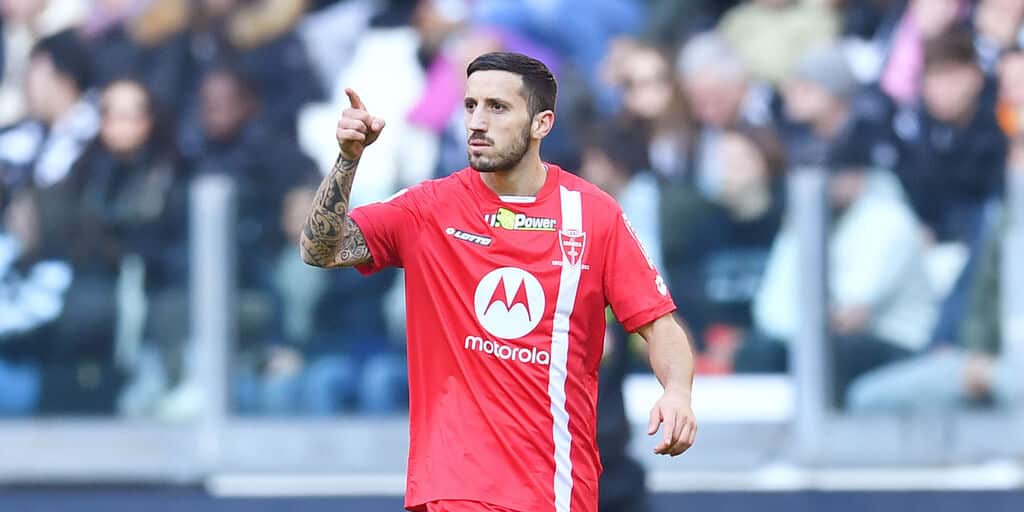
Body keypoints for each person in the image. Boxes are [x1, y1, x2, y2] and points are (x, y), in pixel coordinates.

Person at [301, 52, 697, 512]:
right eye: (470, 106)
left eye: (498, 107)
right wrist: (347, 162)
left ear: (541, 124)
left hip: (556, 487)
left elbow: (660, 325)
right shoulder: (430, 208)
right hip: (453, 486)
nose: (477, 122)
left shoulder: (592, 215)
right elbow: (320, 250)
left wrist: (677, 393)